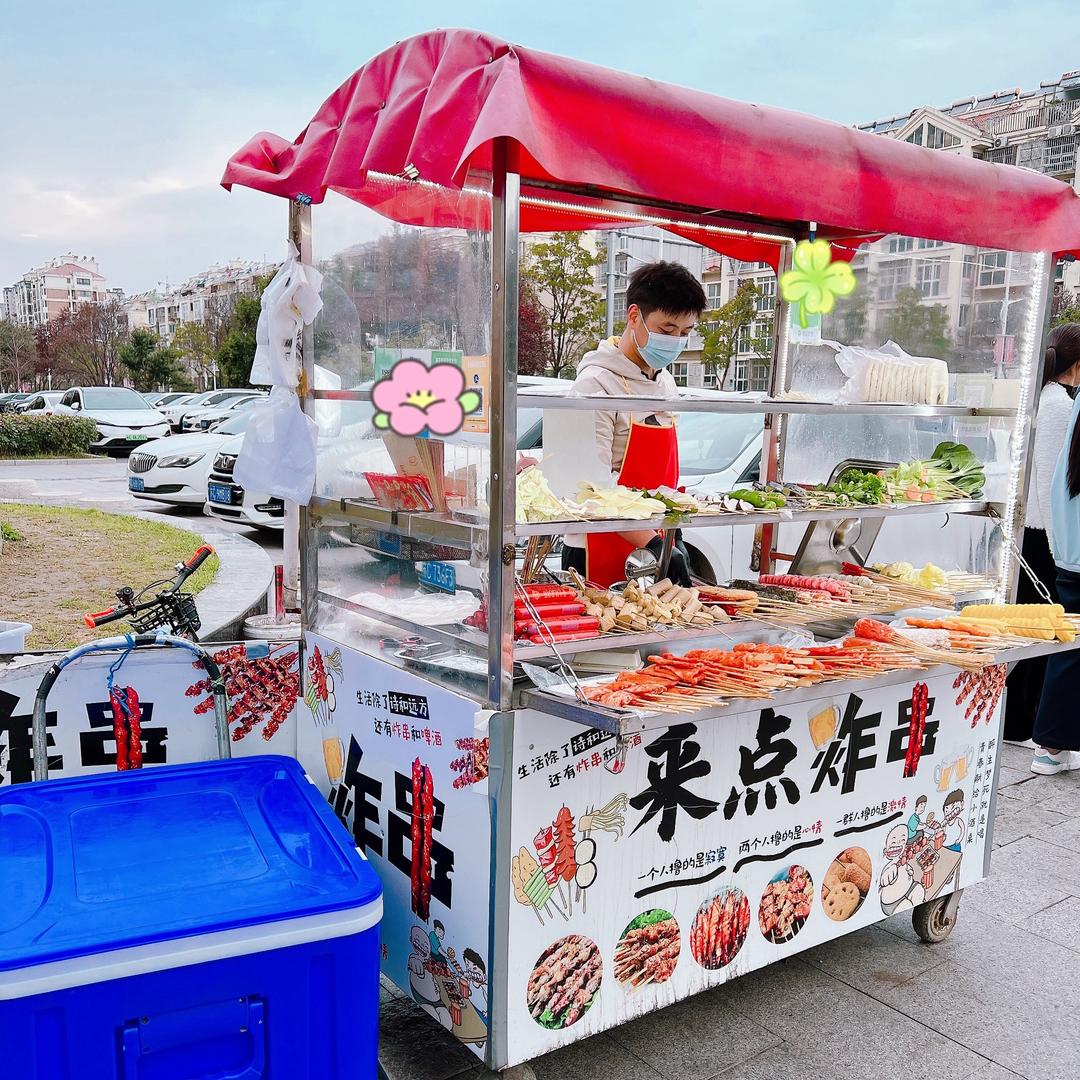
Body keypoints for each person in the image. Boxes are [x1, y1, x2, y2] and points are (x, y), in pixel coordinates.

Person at [561, 261, 707, 588]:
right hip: (595, 546)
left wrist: (672, 534)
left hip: (653, 540)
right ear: (634, 316)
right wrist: (652, 542)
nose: (676, 341)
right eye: (667, 330)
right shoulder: (594, 384)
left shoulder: (666, 384)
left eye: (685, 333)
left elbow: (664, 476)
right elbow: (587, 487)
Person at [1005, 324, 1080, 742]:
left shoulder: (1050, 401)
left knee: (1037, 631)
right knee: (1040, 634)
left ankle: (1022, 721)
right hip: (1045, 534)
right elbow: (1053, 485)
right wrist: (1060, 546)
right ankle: (1020, 723)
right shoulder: (1056, 406)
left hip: (1043, 533)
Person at [1032, 324, 1080, 774]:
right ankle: (1048, 744)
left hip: (1068, 544)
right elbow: (1053, 481)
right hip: (1066, 543)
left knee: (1070, 644)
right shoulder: (1060, 406)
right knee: (1069, 645)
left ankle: (1051, 744)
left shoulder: (1067, 403)